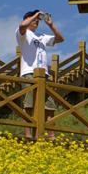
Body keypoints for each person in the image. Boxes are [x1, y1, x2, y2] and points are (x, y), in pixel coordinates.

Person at [17, 9, 64, 139]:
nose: (36, 21)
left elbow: (60, 39)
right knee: (29, 105)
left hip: (45, 75)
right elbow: (22, 25)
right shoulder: (23, 34)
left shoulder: (42, 36)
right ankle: (28, 135)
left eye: (37, 20)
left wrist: (51, 25)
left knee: (49, 105)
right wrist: (35, 15)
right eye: (34, 19)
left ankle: (51, 135)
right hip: (29, 72)